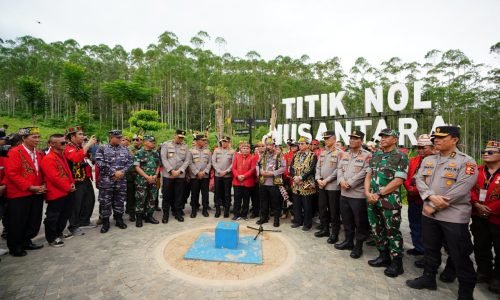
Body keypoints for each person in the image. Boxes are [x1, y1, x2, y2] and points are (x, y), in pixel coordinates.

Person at [406, 126, 478, 300]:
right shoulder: (429, 159)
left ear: (454, 139)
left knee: (459, 253)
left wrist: (435, 205)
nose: (436, 140)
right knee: (430, 248)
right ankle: (428, 278)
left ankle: (465, 292)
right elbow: (420, 180)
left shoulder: (467, 162)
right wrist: (430, 197)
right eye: (435, 137)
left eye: (441, 137)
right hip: (429, 213)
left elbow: (462, 188)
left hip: (453, 215)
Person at [364, 128, 408, 278]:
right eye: (381, 136)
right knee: (376, 229)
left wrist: (378, 194)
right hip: (372, 200)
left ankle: (397, 263)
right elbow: (368, 175)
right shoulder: (376, 155)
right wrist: (367, 193)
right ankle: (383, 256)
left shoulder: (401, 156)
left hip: (389, 202)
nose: (382, 139)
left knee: (392, 232)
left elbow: (398, 180)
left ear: (395, 139)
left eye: (386, 136)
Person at [4, 127, 46, 256]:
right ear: (24, 138)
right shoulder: (15, 152)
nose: (37, 140)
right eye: (34, 137)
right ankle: (15, 246)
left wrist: (43, 184)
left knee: (33, 220)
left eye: (38, 137)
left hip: (36, 192)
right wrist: (29, 187)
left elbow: (41, 171)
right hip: (19, 194)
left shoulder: (38, 153)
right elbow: (12, 174)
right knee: (17, 222)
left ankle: (26, 241)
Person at [336, 130, 372, 258]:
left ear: (361, 141)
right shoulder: (345, 154)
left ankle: (358, 246)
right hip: (344, 193)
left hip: (358, 195)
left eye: (355, 138)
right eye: (350, 138)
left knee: (360, 222)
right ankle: (348, 241)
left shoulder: (367, 155)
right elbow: (339, 168)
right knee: (346, 220)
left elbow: (364, 172)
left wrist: (349, 182)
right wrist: (341, 181)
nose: (351, 140)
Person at [470, 140, 500, 294]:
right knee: (481, 245)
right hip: (478, 214)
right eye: (484, 151)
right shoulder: (477, 170)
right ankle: (483, 271)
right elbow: (468, 188)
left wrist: (490, 209)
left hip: (497, 217)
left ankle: (497, 278)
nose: (485, 154)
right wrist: (476, 204)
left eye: (490, 152)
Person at [41, 134, 76, 248]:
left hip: (67, 190)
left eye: (65, 142)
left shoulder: (61, 155)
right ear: (52, 144)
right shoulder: (49, 158)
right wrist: (68, 187)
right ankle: (51, 238)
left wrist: (71, 184)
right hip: (56, 193)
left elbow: (67, 173)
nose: (65, 144)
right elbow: (55, 177)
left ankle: (59, 232)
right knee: (53, 216)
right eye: (62, 143)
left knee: (65, 214)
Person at [95, 130, 133, 233]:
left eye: (121, 137)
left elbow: (130, 162)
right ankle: (105, 222)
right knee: (105, 202)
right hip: (107, 181)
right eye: (118, 138)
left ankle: (119, 220)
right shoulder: (102, 148)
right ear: (111, 137)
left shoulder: (125, 149)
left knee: (120, 201)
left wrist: (122, 172)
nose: (120, 139)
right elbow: (99, 162)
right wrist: (113, 173)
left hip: (121, 180)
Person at [403, 134, 434, 257]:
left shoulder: (435, 161)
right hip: (412, 198)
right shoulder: (413, 160)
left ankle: (427, 253)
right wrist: (408, 187)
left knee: (428, 229)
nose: (420, 150)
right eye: (418, 147)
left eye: (423, 147)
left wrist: (415, 190)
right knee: (414, 224)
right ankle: (418, 247)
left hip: (427, 200)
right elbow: (405, 175)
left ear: (431, 147)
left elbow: (432, 182)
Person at [64, 126, 97, 237]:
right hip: (76, 180)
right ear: (72, 137)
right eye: (80, 134)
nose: (83, 136)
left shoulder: (79, 146)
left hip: (85, 178)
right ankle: (73, 226)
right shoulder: (68, 147)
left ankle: (84, 221)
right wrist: (88, 145)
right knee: (76, 204)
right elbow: (76, 158)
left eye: (83, 134)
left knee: (90, 200)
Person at [315, 131, 343, 242]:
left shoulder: (339, 153)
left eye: (328, 138)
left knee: (334, 211)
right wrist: (318, 179)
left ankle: (334, 234)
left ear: (334, 139)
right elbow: (318, 167)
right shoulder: (322, 152)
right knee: (322, 208)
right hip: (321, 185)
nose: (326, 140)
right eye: (325, 138)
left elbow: (339, 170)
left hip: (333, 187)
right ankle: (324, 229)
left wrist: (326, 180)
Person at [160, 129, 190, 223]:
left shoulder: (185, 146)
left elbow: (187, 160)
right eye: (179, 137)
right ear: (175, 135)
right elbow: (163, 158)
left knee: (179, 195)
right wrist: (171, 171)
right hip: (168, 175)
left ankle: (178, 213)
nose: (180, 139)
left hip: (180, 175)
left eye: (182, 138)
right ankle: (165, 214)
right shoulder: (166, 145)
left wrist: (180, 171)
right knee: (166, 195)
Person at [256, 137, 286, 227]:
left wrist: (273, 173)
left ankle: (276, 219)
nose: (268, 147)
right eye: (267, 145)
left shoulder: (280, 155)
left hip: (274, 183)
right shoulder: (263, 155)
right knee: (263, 201)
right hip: (263, 182)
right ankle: (264, 218)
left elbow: (283, 168)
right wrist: (260, 171)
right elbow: (257, 165)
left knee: (275, 202)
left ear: (274, 145)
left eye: (270, 145)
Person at [290, 137, 318, 231]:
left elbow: (311, 169)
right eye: (299, 144)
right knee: (296, 204)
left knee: (307, 205)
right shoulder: (296, 155)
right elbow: (291, 168)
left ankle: (307, 224)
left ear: (308, 145)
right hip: (296, 183)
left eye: (302, 143)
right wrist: (294, 177)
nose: (300, 145)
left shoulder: (313, 155)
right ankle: (298, 221)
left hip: (307, 184)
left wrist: (301, 177)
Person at [133, 135, 160, 227]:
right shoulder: (138, 153)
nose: (153, 143)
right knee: (140, 199)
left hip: (153, 180)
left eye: (154, 142)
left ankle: (149, 217)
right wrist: (147, 177)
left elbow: (158, 166)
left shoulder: (155, 153)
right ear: (145, 142)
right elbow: (137, 167)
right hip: (141, 181)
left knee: (152, 198)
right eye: (151, 141)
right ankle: (139, 219)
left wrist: (155, 175)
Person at [231, 141, 257, 220]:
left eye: (247, 148)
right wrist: (237, 176)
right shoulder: (236, 156)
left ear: (250, 149)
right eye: (244, 148)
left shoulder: (253, 157)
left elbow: (253, 169)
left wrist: (244, 176)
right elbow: (233, 168)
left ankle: (244, 214)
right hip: (237, 181)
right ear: (240, 149)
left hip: (248, 181)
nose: (245, 150)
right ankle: (236, 214)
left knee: (246, 199)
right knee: (237, 199)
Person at [188, 134, 212, 218]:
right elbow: (190, 163)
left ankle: (205, 210)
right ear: (197, 141)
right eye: (202, 140)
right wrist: (197, 172)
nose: (204, 141)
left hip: (205, 176)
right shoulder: (191, 151)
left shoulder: (208, 151)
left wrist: (204, 172)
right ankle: (194, 210)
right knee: (194, 193)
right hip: (195, 177)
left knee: (205, 194)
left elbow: (209, 163)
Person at [212, 136, 234, 218]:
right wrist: (218, 170)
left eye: (225, 141)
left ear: (228, 142)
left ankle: (226, 209)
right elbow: (213, 161)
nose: (224, 143)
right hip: (218, 175)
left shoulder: (232, 151)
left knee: (227, 193)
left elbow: (233, 163)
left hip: (227, 176)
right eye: (222, 141)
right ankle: (217, 209)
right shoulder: (216, 150)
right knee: (217, 192)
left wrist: (226, 171)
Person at [126, 134, 143, 222]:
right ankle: (131, 214)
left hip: (141, 177)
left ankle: (140, 213)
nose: (135, 141)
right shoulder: (128, 149)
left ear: (141, 141)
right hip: (130, 176)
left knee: (140, 196)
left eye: (137, 139)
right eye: (133, 140)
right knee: (131, 196)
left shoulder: (145, 150)